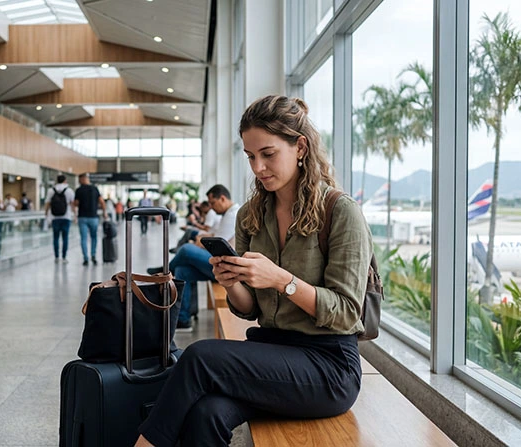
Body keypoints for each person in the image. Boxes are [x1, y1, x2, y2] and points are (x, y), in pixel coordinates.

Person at [135, 95, 373, 447]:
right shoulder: (251, 215)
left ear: (300, 148)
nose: (258, 167)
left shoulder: (340, 212)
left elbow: (348, 314)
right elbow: (250, 310)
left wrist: (282, 280)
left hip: (329, 366)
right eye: (250, 156)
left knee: (200, 356)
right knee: (208, 414)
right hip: (273, 354)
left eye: (268, 154)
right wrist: (231, 282)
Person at [146, 184, 240, 331]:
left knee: (186, 249)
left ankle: (164, 272)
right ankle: (183, 319)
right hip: (219, 263)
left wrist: (200, 242)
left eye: (213, 203)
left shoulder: (233, 214)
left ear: (222, 199)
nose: (211, 208)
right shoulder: (228, 214)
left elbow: (219, 242)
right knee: (182, 271)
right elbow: (217, 238)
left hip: (225, 268)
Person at [73, 173, 107, 266]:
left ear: (83, 179)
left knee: (83, 238)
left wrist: (75, 213)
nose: (79, 182)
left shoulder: (79, 190)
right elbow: (102, 202)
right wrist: (104, 213)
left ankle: (85, 258)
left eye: (79, 180)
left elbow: (75, 203)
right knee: (94, 237)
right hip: (93, 217)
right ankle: (93, 255)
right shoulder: (95, 189)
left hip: (82, 217)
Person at [46, 175, 75, 264]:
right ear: (65, 180)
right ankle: (64, 257)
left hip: (54, 217)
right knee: (65, 238)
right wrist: (75, 215)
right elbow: (72, 204)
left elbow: (48, 203)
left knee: (56, 237)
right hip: (66, 217)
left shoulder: (51, 190)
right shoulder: (69, 191)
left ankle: (56, 257)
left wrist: (46, 214)